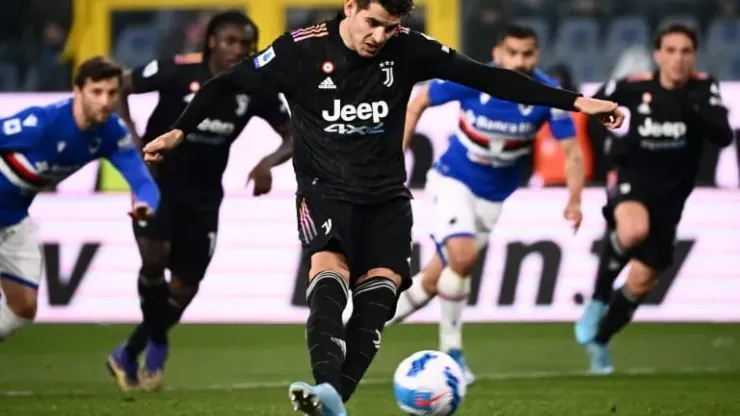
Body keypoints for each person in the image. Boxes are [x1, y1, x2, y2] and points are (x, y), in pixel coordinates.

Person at [142, 1, 622, 414]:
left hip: (387, 195)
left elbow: (488, 77)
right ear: (349, 6)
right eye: (372, 23)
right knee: (328, 269)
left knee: (378, 298)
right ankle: (326, 383)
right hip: (325, 188)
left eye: (390, 27)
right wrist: (181, 129)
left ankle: (333, 398)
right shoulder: (299, 49)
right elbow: (228, 81)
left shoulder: (408, 48)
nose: (379, 36)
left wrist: (578, 102)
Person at [385, 24, 585, 385]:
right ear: (498, 53)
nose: (520, 61)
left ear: (537, 55)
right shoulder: (473, 78)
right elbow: (418, 100)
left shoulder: (547, 94)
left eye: (527, 54)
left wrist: (574, 199)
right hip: (453, 179)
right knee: (462, 258)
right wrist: (396, 157)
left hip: (493, 198)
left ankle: (360, 328)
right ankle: (452, 353)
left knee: (433, 280)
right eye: (513, 53)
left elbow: (572, 152)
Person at [106, 10, 293, 392]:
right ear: (211, 42)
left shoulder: (256, 87)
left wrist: (267, 163)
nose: (239, 49)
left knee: (185, 286)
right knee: (154, 258)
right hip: (157, 182)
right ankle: (157, 346)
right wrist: (132, 137)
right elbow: (119, 85)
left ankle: (129, 351)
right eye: (231, 41)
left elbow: (294, 135)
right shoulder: (177, 71)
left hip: (206, 194)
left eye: (247, 44)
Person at [575, 23, 734, 374]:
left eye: (686, 51)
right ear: (658, 55)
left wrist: (695, 111)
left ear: (695, 56)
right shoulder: (634, 87)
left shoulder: (703, 89)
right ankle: (597, 299)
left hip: (672, 196)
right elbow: (592, 108)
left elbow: (723, 136)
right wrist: (610, 149)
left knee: (642, 281)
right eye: (671, 51)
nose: (678, 59)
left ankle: (600, 339)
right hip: (632, 179)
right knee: (633, 230)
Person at [0, 56, 159, 343]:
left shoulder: (112, 133)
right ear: (77, 91)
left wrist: (146, 204)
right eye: (96, 92)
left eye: (112, 93)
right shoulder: (42, 123)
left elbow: (143, 181)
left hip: (13, 217)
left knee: (23, 307)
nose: (105, 102)